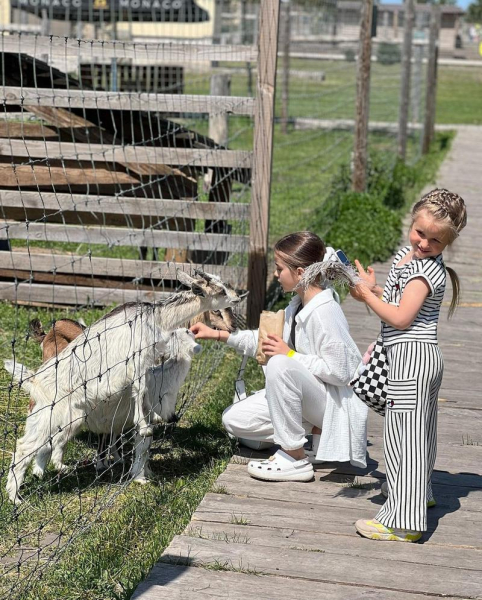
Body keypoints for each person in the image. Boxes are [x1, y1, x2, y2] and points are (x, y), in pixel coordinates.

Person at [190, 231, 368, 482]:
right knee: (234, 419)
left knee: (280, 364)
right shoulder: (298, 304)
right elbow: (266, 342)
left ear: (299, 273)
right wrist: (219, 335)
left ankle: (295, 458)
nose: (275, 274)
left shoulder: (325, 312)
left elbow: (343, 372)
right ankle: (313, 441)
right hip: (312, 397)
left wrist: (291, 355)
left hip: (334, 405)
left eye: (279, 268)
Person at [350, 188, 467, 543]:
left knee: (406, 440)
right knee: (416, 434)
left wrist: (368, 297)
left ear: (448, 242)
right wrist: (375, 291)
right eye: (420, 232)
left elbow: (401, 318)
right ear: (411, 221)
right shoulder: (406, 256)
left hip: (414, 361)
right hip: (408, 358)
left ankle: (404, 522)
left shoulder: (426, 272)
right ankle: (421, 494)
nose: (425, 243)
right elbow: (395, 303)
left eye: (436, 240)